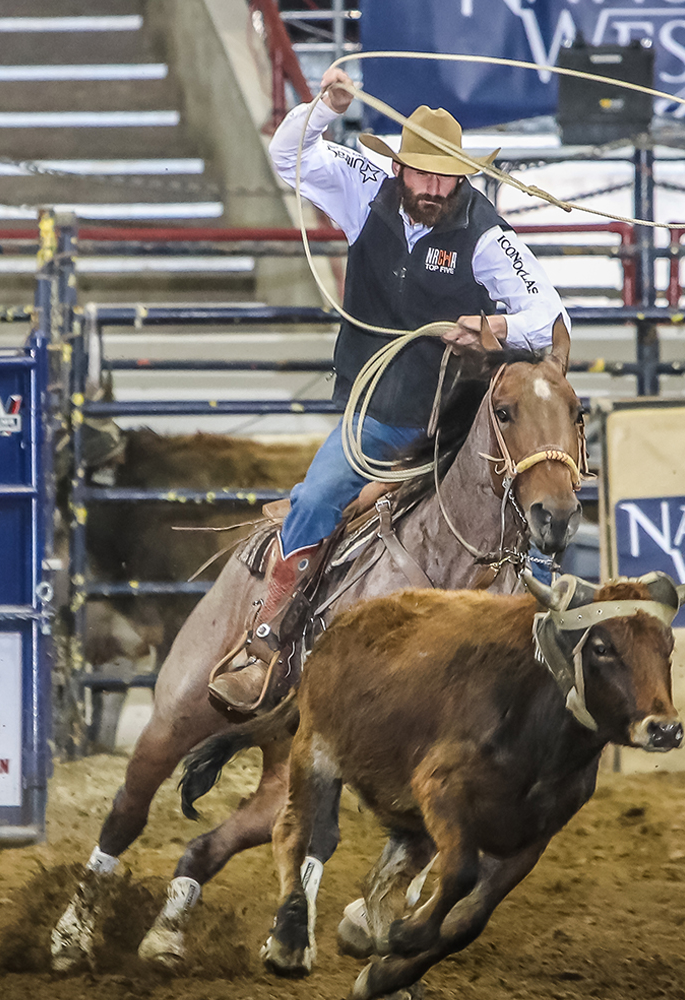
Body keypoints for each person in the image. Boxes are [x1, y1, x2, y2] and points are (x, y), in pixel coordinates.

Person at [208, 69, 571, 711]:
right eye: (421, 174)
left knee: (536, 496)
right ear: (398, 168)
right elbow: (289, 154)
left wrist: (495, 327)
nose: (432, 189)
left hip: (458, 418)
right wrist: (324, 108)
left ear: (463, 176)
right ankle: (267, 636)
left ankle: (542, 633)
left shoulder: (486, 234)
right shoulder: (364, 184)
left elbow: (548, 312)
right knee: (317, 496)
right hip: (377, 410)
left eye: (445, 177)